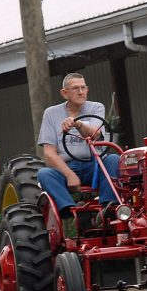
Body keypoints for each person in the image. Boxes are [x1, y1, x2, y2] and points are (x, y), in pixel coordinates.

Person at [37, 73, 119, 222]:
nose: (81, 92)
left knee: (113, 159)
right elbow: (49, 153)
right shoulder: (51, 114)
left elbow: (95, 133)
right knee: (44, 174)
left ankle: (108, 208)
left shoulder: (96, 107)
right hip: (67, 167)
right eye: (75, 88)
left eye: (83, 88)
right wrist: (69, 175)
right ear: (64, 93)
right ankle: (72, 212)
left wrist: (77, 124)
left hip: (94, 165)